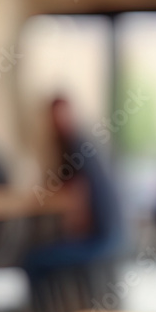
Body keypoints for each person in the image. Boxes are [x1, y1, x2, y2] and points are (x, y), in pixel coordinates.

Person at [24, 97, 124, 275]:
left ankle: (50, 303)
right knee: (42, 252)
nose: (58, 122)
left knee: (33, 259)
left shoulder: (77, 146)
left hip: (102, 241)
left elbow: (77, 199)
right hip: (114, 237)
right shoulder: (82, 143)